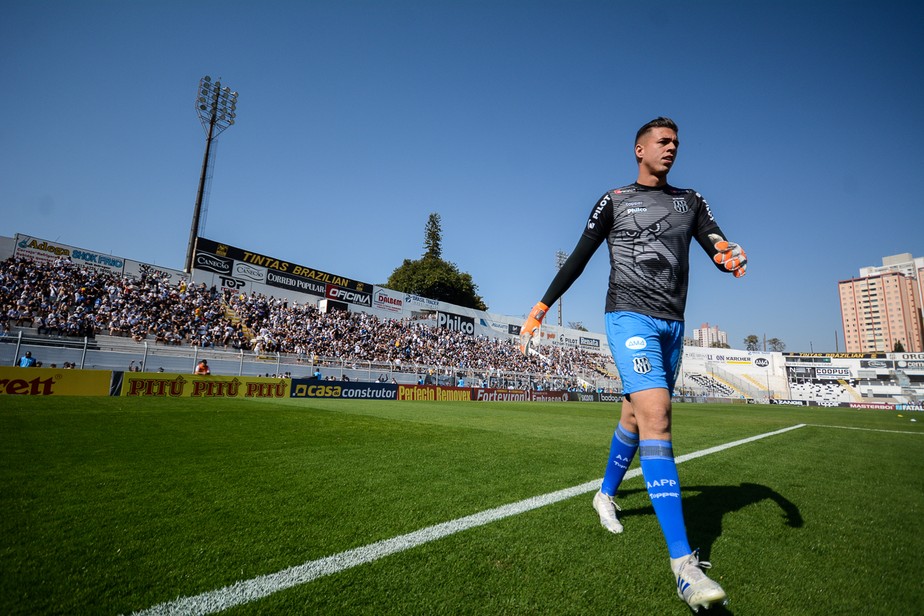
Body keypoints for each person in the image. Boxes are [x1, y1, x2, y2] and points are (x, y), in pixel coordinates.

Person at [519, 117, 746, 611]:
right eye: (663, 142)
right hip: (628, 317)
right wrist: (539, 309)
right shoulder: (614, 199)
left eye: (677, 143)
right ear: (639, 149)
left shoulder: (692, 200)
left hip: (672, 324)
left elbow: (715, 243)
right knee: (657, 414)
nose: (672, 149)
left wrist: (729, 256)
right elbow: (578, 257)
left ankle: (604, 494)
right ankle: (684, 567)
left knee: (632, 415)